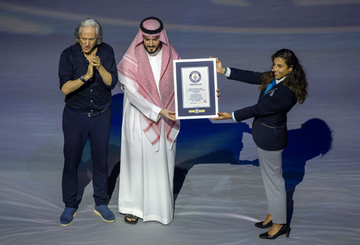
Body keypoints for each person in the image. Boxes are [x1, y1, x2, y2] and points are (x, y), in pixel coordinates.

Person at [212, 49, 308, 239]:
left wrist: (231, 116)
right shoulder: (276, 78)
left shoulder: (286, 92)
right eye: (274, 64)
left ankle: (280, 223)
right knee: (270, 180)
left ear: (291, 68)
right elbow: (253, 76)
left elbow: (260, 108)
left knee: (274, 183)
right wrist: (223, 70)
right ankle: (274, 213)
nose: (274, 69)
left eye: (279, 66)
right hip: (265, 136)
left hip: (271, 140)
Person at [117, 16, 180, 225]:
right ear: (141, 37)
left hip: (165, 119)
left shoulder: (172, 55)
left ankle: (159, 210)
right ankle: (133, 207)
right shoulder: (132, 58)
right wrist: (157, 110)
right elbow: (133, 94)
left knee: (161, 162)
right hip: (138, 118)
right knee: (136, 162)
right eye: (147, 39)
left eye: (155, 39)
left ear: (161, 37)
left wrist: (206, 96)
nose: (151, 44)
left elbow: (183, 85)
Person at [58, 18, 118, 226]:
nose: (86, 43)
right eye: (83, 38)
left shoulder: (107, 51)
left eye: (91, 39)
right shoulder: (68, 55)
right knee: (71, 161)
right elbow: (65, 89)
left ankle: (101, 203)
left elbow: (111, 83)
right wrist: (85, 76)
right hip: (75, 116)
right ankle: (70, 204)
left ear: (98, 38)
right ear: (78, 37)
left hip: (101, 115)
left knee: (101, 161)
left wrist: (100, 68)